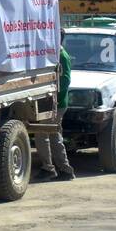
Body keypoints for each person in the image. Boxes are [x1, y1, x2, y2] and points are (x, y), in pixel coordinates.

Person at [36, 34, 74, 180]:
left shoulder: (61, 56)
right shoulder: (55, 54)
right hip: (55, 103)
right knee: (53, 135)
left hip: (57, 104)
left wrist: (54, 96)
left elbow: (65, 81)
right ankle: (64, 169)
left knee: (43, 134)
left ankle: (50, 168)